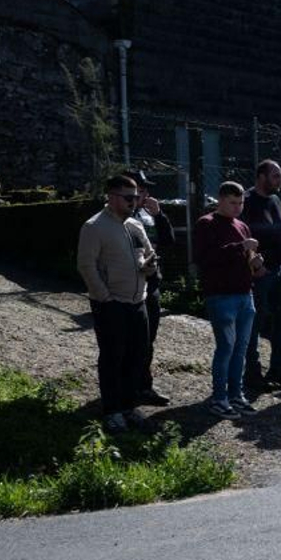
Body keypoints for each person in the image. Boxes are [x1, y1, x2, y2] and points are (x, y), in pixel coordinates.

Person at [77, 175, 156, 432]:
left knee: (137, 356)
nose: (134, 202)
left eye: (136, 197)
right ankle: (112, 411)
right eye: (128, 197)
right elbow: (86, 266)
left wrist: (149, 267)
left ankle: (129, 406)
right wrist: (105, 298)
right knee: (113, 358)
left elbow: (147, 254)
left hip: (138, 301)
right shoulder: (94, 227)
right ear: (111, 197)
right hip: (112, 304)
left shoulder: (135, 225)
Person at [194, 182, 260, 420]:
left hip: (245, 294)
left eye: (240, 202)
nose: (237, 207)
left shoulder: (242, 225)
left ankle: (235, 394)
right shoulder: (206, 223)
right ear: (220, 200)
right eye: (232, 202)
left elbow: (246, 257)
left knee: (241, 349)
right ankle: (219, 397)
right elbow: (205, 258)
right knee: (226, 348)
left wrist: (255, 261)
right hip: (221, 295)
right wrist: (239, 247)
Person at [243, 160, 281, 391]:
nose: (280, 180)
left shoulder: (275, 200)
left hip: (280, 270)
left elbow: (280, 233)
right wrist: (254, 264)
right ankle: (252, 373)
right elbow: (242, 235)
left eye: (280, 176)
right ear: (261, 176)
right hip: (260, 272)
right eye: (275, 176)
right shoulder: (247, 202)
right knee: (256, 321)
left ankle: (278, 369)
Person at [124, 168, 174, 405]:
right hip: (127, 287)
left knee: (147, 339)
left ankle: (144, 386)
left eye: (144, 191)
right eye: (137, 191)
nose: (142, 196)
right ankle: (125, 390)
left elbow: (168, 241)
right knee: (127, 341)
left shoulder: (147, 215)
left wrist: (160, 216)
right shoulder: (118, 218)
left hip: (151, 284)